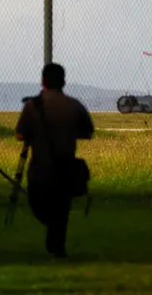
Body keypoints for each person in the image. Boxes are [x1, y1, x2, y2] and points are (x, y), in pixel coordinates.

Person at [15, 63, 94, 258]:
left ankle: (54, 241)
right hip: (65, 168)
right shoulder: (74, 105)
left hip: (39, 169)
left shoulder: (32, 106)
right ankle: (57, 246)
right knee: (61, 209)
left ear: (43, 82)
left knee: (40, 205)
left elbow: (20, 134)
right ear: (63, 82)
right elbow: (87, 132)